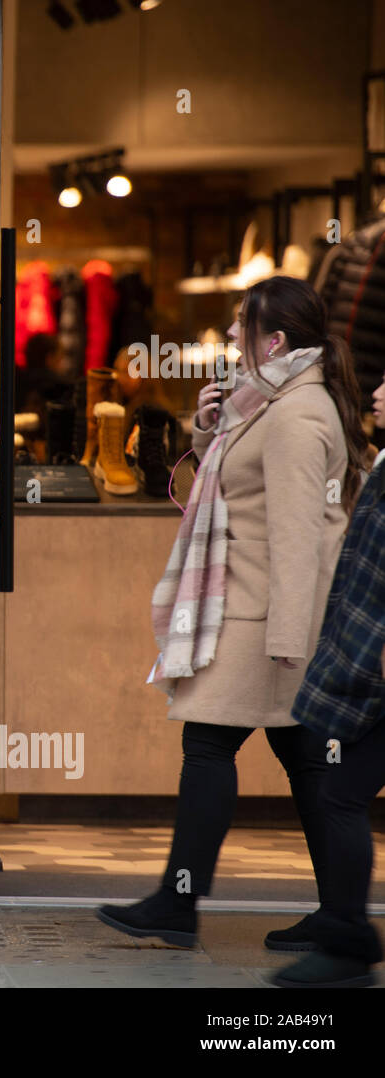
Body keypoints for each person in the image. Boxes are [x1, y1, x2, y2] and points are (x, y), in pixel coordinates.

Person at [97, 276, 373, 948]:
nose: (228, 335)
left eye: (239, 324)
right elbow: (231, 489)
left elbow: (300, 534)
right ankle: (340, 917)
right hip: (263, 614)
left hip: (269, 622)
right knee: (305, 760)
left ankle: (179, 901)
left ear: (274, 340)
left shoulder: (297, 416)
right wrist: (208, 426)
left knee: (208, 744)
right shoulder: (270, 404)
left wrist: (290, 637)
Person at [273, 371, 385, 988]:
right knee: (339, 791)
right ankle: (346, 941)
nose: (375, 391)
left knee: (339, 793)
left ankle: (347, 944)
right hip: (366, 658)